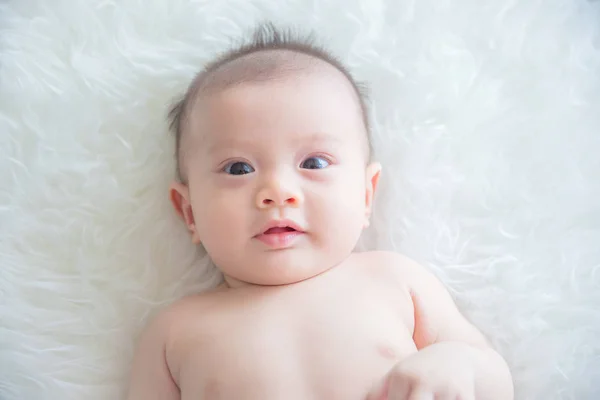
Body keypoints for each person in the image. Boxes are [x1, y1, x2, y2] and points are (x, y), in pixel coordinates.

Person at [126, 23, 513, 400]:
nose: (277, 192)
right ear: (189, 211)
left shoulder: (394, 280)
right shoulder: (174, 333)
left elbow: (493, 375)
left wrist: (456, 363)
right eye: (238, 168)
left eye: (314, 163)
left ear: (365, 194)